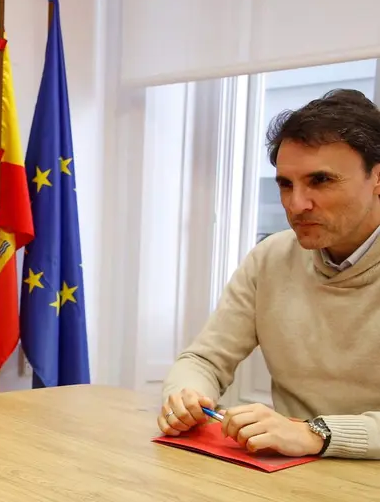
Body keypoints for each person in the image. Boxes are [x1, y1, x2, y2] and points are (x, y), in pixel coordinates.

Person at [159, 88, 380, 459]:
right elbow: (203, 361)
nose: (297, 205)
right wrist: (186, 396)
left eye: (321, 180)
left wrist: (317, 434)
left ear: (377, 178)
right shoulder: (271, 257)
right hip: (288, 474)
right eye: (285, 184)